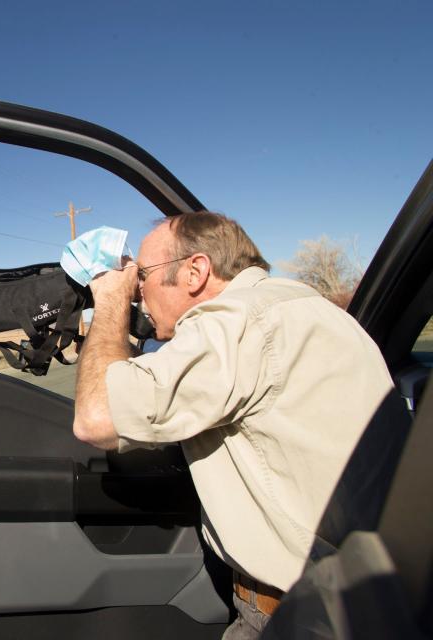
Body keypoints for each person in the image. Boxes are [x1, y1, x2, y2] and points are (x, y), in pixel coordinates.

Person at [72, 211, 402, 639]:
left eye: (144, 275)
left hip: (305, 612)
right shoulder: (302, 307)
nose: (137, 289)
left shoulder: (232, 322)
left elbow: (96, 417)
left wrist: (110, 297)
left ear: (195, 271)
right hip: (365, 593)